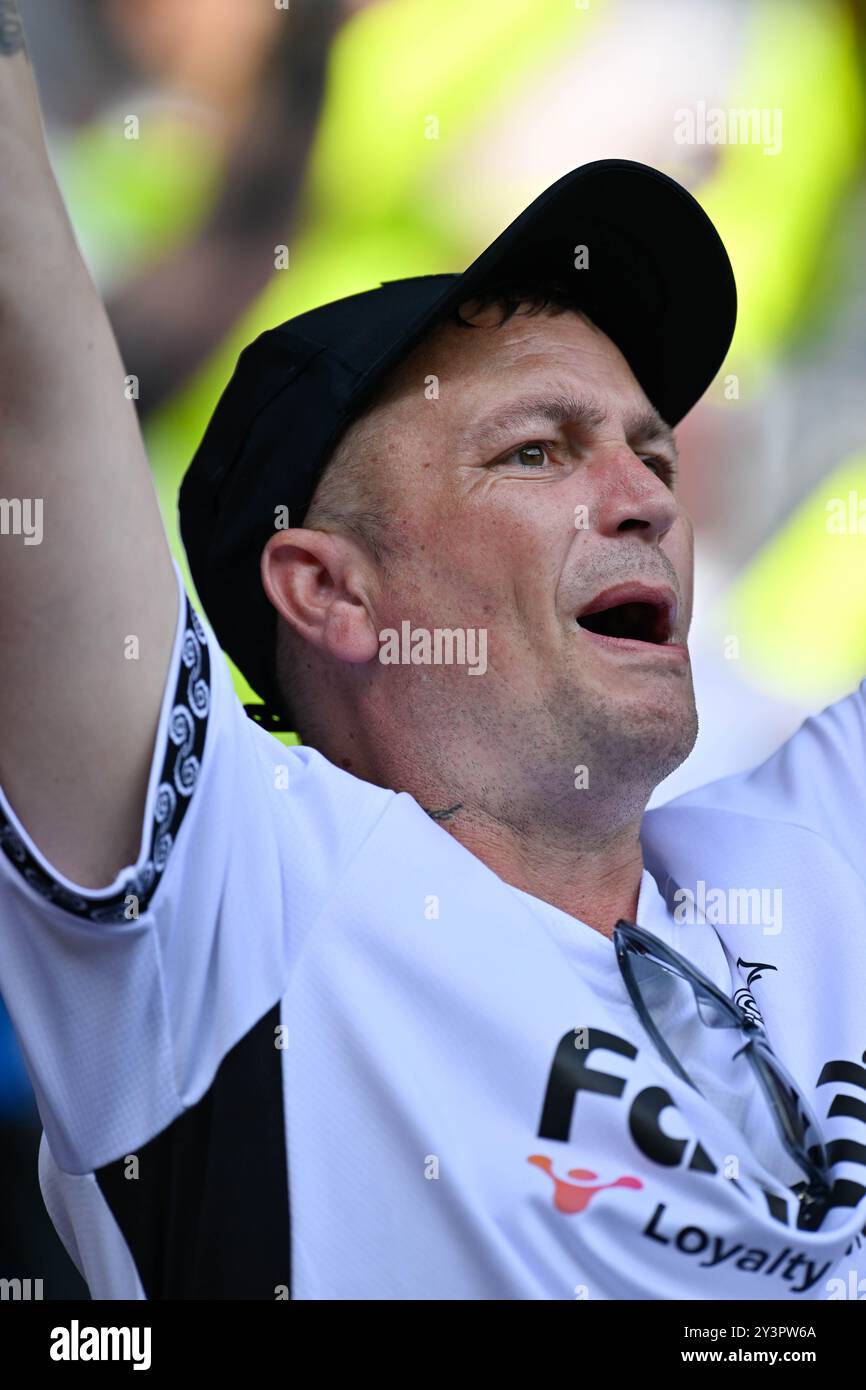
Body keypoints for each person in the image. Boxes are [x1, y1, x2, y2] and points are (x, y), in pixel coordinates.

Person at [1, 3, 865, 1300]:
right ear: (331, 590)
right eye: (536, 449)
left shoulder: (814, 850)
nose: (646, 501)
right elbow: (26, 351)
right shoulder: (236, 898)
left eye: (651, 451)